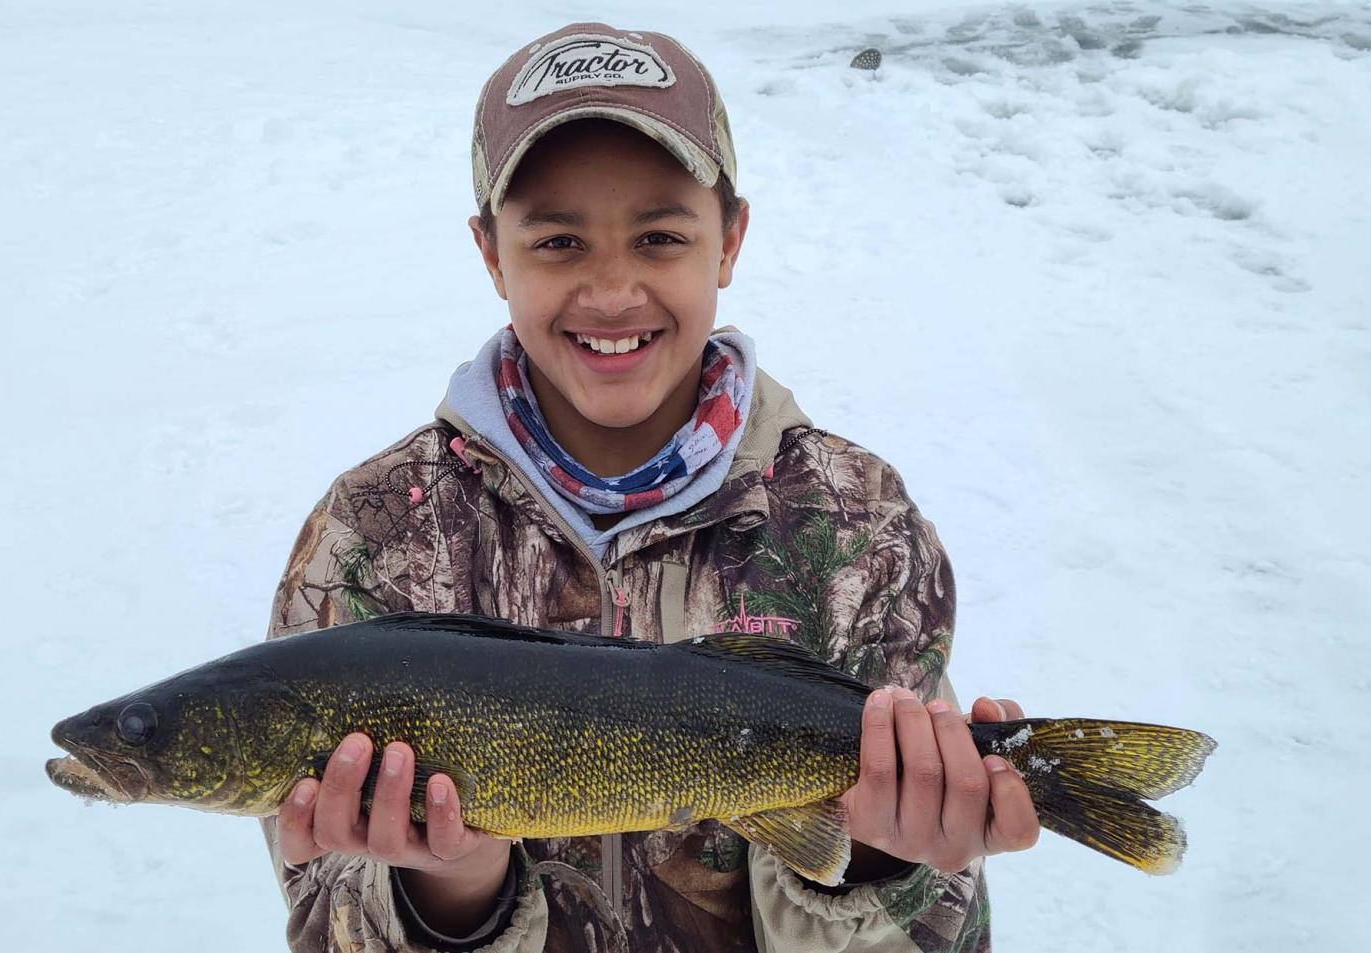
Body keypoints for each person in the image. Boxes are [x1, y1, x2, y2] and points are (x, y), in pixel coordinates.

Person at [261, 22, 1038, 952]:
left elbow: (944, 928)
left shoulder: (857, 521)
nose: (614, 289)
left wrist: (883, 861)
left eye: (661, 235)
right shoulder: (378, 534)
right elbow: (321, 914)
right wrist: (451, 886)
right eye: (557, 241)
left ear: (730, 240)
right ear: (489, 252)